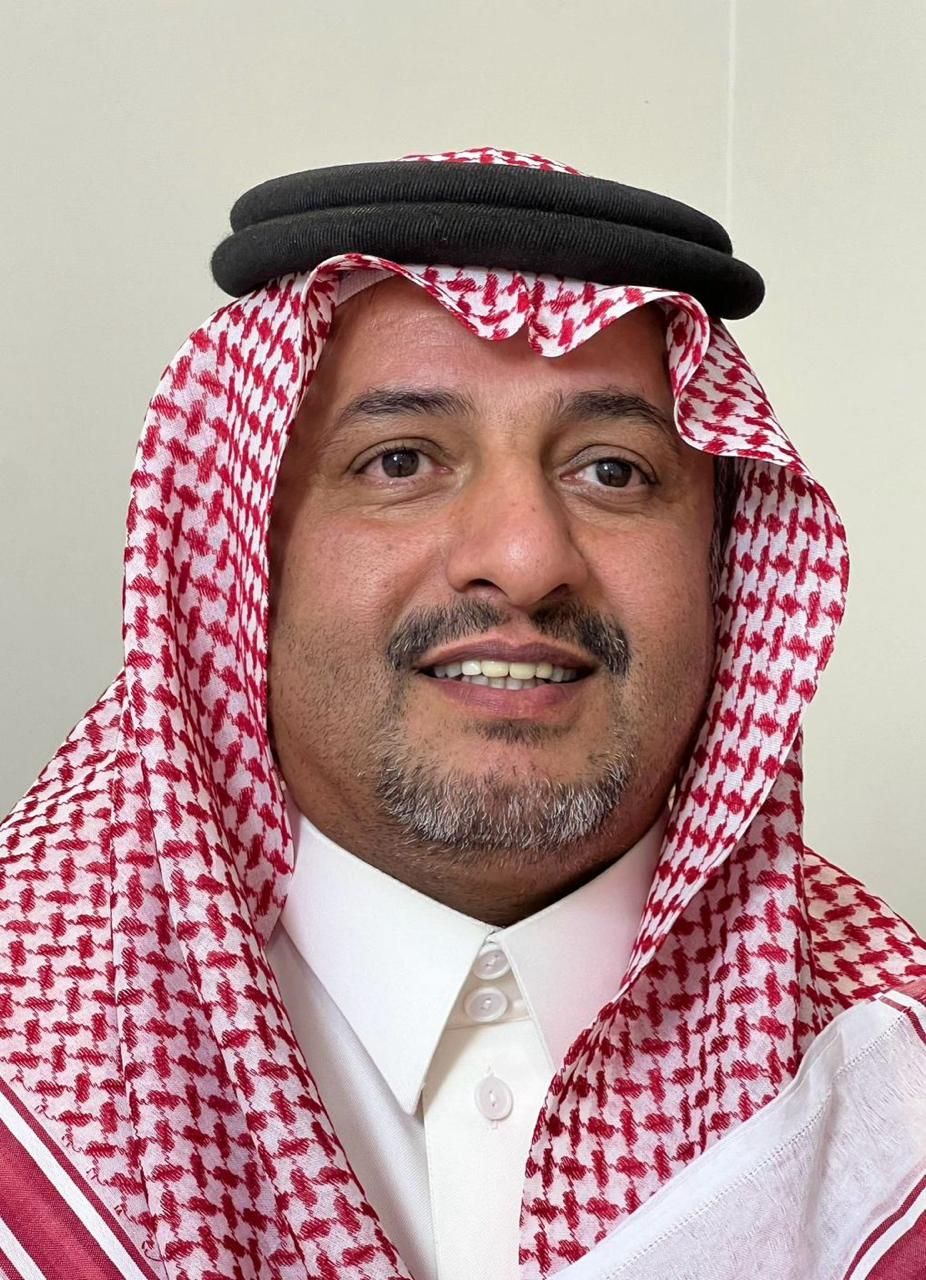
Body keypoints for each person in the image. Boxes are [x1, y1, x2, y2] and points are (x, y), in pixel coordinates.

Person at [1, 146, 924, 1280]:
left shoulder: (891, 1075)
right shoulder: (28, 1069)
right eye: (400, 461)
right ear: (244, 558)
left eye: (613, 471)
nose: (525, 559)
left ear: (724, 565)